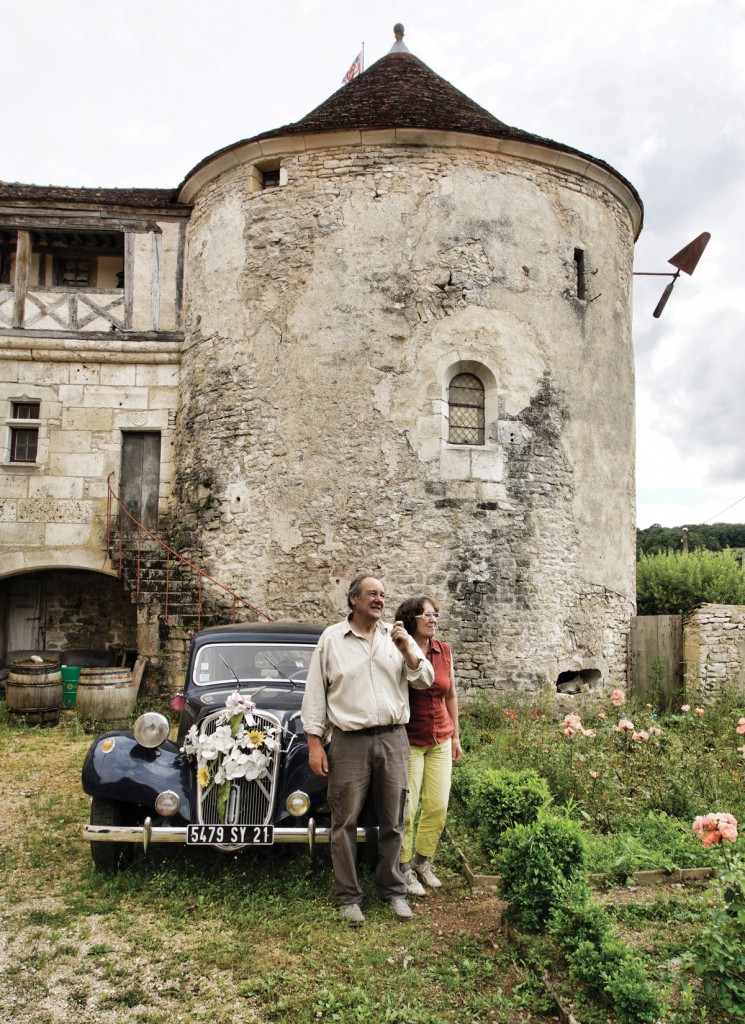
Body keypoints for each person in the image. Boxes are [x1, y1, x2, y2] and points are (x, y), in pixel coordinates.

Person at [301, 574, 434, 927]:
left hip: (393, 739)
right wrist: (315, 743)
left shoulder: (397, 637)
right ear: (353, 600)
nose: (379, 600)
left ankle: (393, 891)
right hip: (348, 741)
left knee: (393, 819)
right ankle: (349, 897)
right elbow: (315, 693)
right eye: (372, 594)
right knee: (344, 820)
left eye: (383, 595)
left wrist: (407, 648)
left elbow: (426, 680)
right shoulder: (332, 639)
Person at [394, 595, 462, 897]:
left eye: (436, 614)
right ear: (411, 620)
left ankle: (422, 860)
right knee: (407, 808)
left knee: (437, 806)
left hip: (441, 738)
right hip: (410, 739)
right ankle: (404, 867)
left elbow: (450, 696)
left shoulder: (443, 650)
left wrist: (456, 736)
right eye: (426, 615)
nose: (433, 620)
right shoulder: (398, 650)